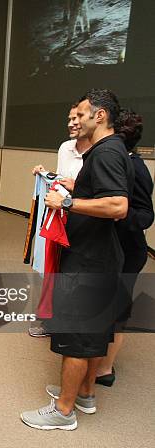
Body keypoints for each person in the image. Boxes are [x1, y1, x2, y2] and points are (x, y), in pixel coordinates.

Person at [21, 89, 134, 431]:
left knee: (77, 337)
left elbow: (117, 206)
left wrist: (67, 203)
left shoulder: (106, 154)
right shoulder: (109, 151)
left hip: (89, 263)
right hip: (96, 258)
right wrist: (77, 186)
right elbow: (105, 195)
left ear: (100, 116)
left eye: (82, 115)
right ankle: (83, 395)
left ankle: (64, 411)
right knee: (93, 335)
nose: (76, 120)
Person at [95, 109, 154, 386]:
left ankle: (105, 369)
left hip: (128, 252)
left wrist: (118, 211)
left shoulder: (136, 167)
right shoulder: (113, 161)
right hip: (108, 248)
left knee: (117, 310)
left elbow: (145, 215)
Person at [28, 104, 91, 338]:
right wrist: (47, 174)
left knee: (74, 274)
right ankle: (49, 320)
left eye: (78, 117)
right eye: (70, 118)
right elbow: (62, 179)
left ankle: (70, 322)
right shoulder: (65, 147)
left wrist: (75, 188)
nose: (72, 122)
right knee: (52, 269)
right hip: (59, 218)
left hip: (84, 221)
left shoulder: (100, 153)